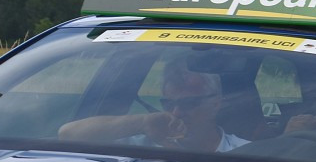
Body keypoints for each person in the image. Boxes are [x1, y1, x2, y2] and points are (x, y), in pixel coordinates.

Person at [58, 65, 249, 152]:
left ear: (216, 104)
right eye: (168, 104)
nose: (176, 113)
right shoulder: (142, 144)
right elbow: (68, 134)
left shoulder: (245, 153)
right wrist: (141, 122)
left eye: (189, 104)